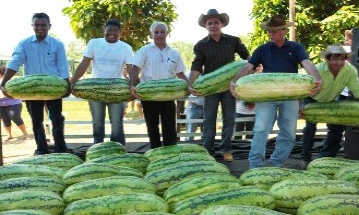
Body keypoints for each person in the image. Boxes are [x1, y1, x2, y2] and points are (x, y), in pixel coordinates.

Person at [230, 14, 323, 169]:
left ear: (283, 31)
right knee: (260, 130)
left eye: (273, 31)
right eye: (269, 31)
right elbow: (249, 66)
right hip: (267, 96)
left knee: (289, 134)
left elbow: (306, 63)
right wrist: (234, 81)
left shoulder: (296, 47)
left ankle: (276, 163)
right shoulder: (262, 49)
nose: (270, 34)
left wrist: (317, 79)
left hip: (290, 96)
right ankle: (256, 165)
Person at [0, 12, 70, 155]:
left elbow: (62, 65)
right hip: (31, 90)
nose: (40, 28)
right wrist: (4, 82)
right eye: (36, 25)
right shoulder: (24, 44)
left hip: (53, 89)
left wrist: (67, 83)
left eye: (43, 25)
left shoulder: (57, 44)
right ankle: (41, 149)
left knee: (57, 119)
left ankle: (60, 148)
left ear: (49, 26)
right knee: (36, 120)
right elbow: (15, 62)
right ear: (32, 26)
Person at [188, 9, 250, 161]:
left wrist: (255, 65)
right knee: (209, 120)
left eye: (216, 22)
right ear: (205, 26)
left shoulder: (233, 41)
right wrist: (191, 85)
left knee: (229, 119)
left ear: (222, 24)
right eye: (210, 23)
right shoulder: (201, 45)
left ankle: (225, 150)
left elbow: (247, 56)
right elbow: (196, 65)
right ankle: (207, 150)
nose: (213, 25)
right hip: (210, 88)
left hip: (230, 87)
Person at [299, 45, 359, 169]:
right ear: (328, 59)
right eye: (335, 59)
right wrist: (299, 106)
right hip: (312, 99)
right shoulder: (318, 69)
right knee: (310, 126)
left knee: (338, 126)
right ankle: (305, 158)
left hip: (331, 100)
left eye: (342, 59)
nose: (339, 62)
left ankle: (325, 158)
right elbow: (302, 88)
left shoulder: (349, 71)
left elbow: (358, 91)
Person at [70, 19, 134, 145]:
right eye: (109, 29)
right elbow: (84, 63)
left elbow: (131, 69)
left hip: (117, 91)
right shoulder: (94, 43)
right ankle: (97, 148)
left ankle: (118, 150)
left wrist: (133, 86)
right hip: (95, 90)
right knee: (97, 123)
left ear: (120, 33)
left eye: (115, 30)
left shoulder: (126, 48)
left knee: (117, 122)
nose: (112, 33)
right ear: (104, 30)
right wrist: (73, 82)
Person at [130, 21, 187, 149]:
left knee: (169, 126)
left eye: (162, 31)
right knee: (152, 126)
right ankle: (155, 152)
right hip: (149, 95)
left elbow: (180, 74)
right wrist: (133, 85)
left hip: (168, 96)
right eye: (156, 32)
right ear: (151, 34)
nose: (159, 34)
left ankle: (171, 153)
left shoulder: (174, 53)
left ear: (167, 33)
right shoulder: (144, 51)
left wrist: (189, 85)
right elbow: (134, 69)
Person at [0, 65, 30, 141]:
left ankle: (25, 133)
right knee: (5, 119)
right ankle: (9, 135)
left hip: (13, 102)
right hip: (1, 104)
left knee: (15, 117)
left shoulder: (10, 79)